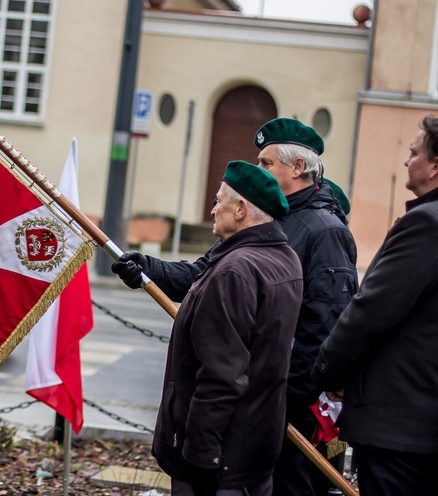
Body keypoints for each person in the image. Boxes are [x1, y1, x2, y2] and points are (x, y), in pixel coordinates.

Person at [113, 118, 358, 496]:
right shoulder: (266, 218)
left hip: (284, 403)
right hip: (253, 403)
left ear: (297, 168)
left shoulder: (324, 229)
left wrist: (286, 394)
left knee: (291, 488)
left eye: (266, 163)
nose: (257, 169)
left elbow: (326, 323)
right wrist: (149, 269)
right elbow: (203, 273)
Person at [150, 160, 303, 495]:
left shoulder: (236, 270)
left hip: (221, 462)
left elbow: (221, 376)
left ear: (241, 209)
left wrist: (200, 456)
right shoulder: (282, 257)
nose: (213, 208)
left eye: (220, 200)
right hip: (252, 448)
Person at [313, 114, 438, 496]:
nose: (407, 161)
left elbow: (372, 312)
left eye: (414, 153)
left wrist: (327, 373)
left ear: (435, 167)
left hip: (401, 427)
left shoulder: (426, 225)